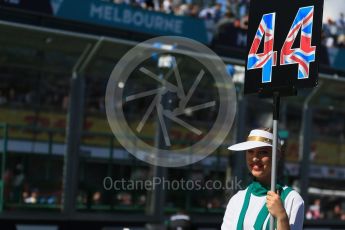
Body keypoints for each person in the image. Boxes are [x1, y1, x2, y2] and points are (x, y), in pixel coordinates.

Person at [221, 128, 304, 230]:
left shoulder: (291, 199)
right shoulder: (237, 199)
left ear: (277, 155)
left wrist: (281, 217)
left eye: (263, 152)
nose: (255, 158)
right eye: (250, 151)